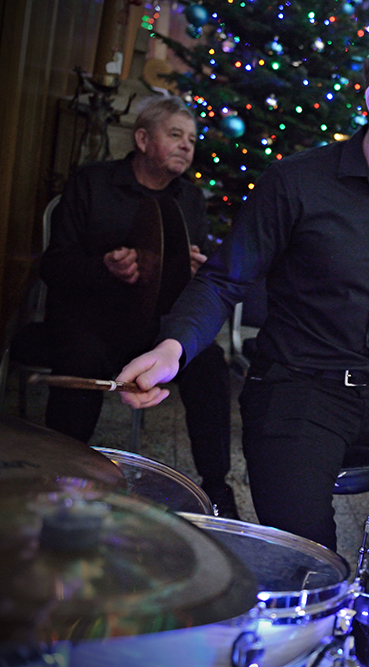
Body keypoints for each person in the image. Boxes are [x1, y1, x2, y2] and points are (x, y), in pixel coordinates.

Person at [116, 31, 369, 552]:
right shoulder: (296, 182)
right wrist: (173, 348)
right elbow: (223, 279)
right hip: (295, 388)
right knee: (309, 559)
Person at [40, 96, 237, 518]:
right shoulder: (92, 183)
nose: (186, 145)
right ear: (143, 139)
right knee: (81, 354)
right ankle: (58, 475)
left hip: (155, 328)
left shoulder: (190, 198)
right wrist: (105, 267)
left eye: (192, 139)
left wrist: (194, 270)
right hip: (89, 319)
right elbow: (53, 266)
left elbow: (195, 286)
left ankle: (217, 487)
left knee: (209, 362)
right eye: (175, 135)